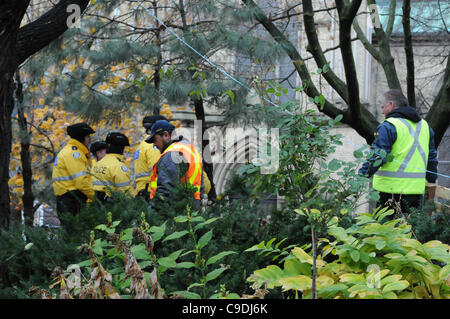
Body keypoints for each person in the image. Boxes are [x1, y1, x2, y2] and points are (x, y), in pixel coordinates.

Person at [359, 89, 438, 215]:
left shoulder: (388, 126)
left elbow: (378, 156)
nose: (382, 111)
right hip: (415, 192)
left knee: (385, 231)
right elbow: (432, 157)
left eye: (382, 107)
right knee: (410, 232)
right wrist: (432, 179)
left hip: (389, 191)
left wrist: (360, 176)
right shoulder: (425, 126)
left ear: (391, 105)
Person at [145, 120, 205, 209]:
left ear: (166, 135)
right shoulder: (189, 150)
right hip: (191, 208)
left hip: (176, 211)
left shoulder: (171, 154)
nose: (154, 145)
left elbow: (166, 190)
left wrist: (154, 211)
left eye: (155, 140)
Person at [52, 122, 96, 216]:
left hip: (67, 199)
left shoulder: (69, 151)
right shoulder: (74, 154)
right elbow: (82, 182)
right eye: (88, 136)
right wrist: (95, 197)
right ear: (81, 137)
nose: (90, 140)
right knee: (77, 229)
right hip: (73, 200)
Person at [91, 132, 135, 203]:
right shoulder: (119, 167)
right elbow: (126, 193)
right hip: (112, 208)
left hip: (96, 207)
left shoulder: (97, 165)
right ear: (122, 148)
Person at [134, 115, 168, 200]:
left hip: (143, 191)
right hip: (152, 193)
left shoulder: (142, 145)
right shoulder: (153, 146)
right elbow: (158, 170)